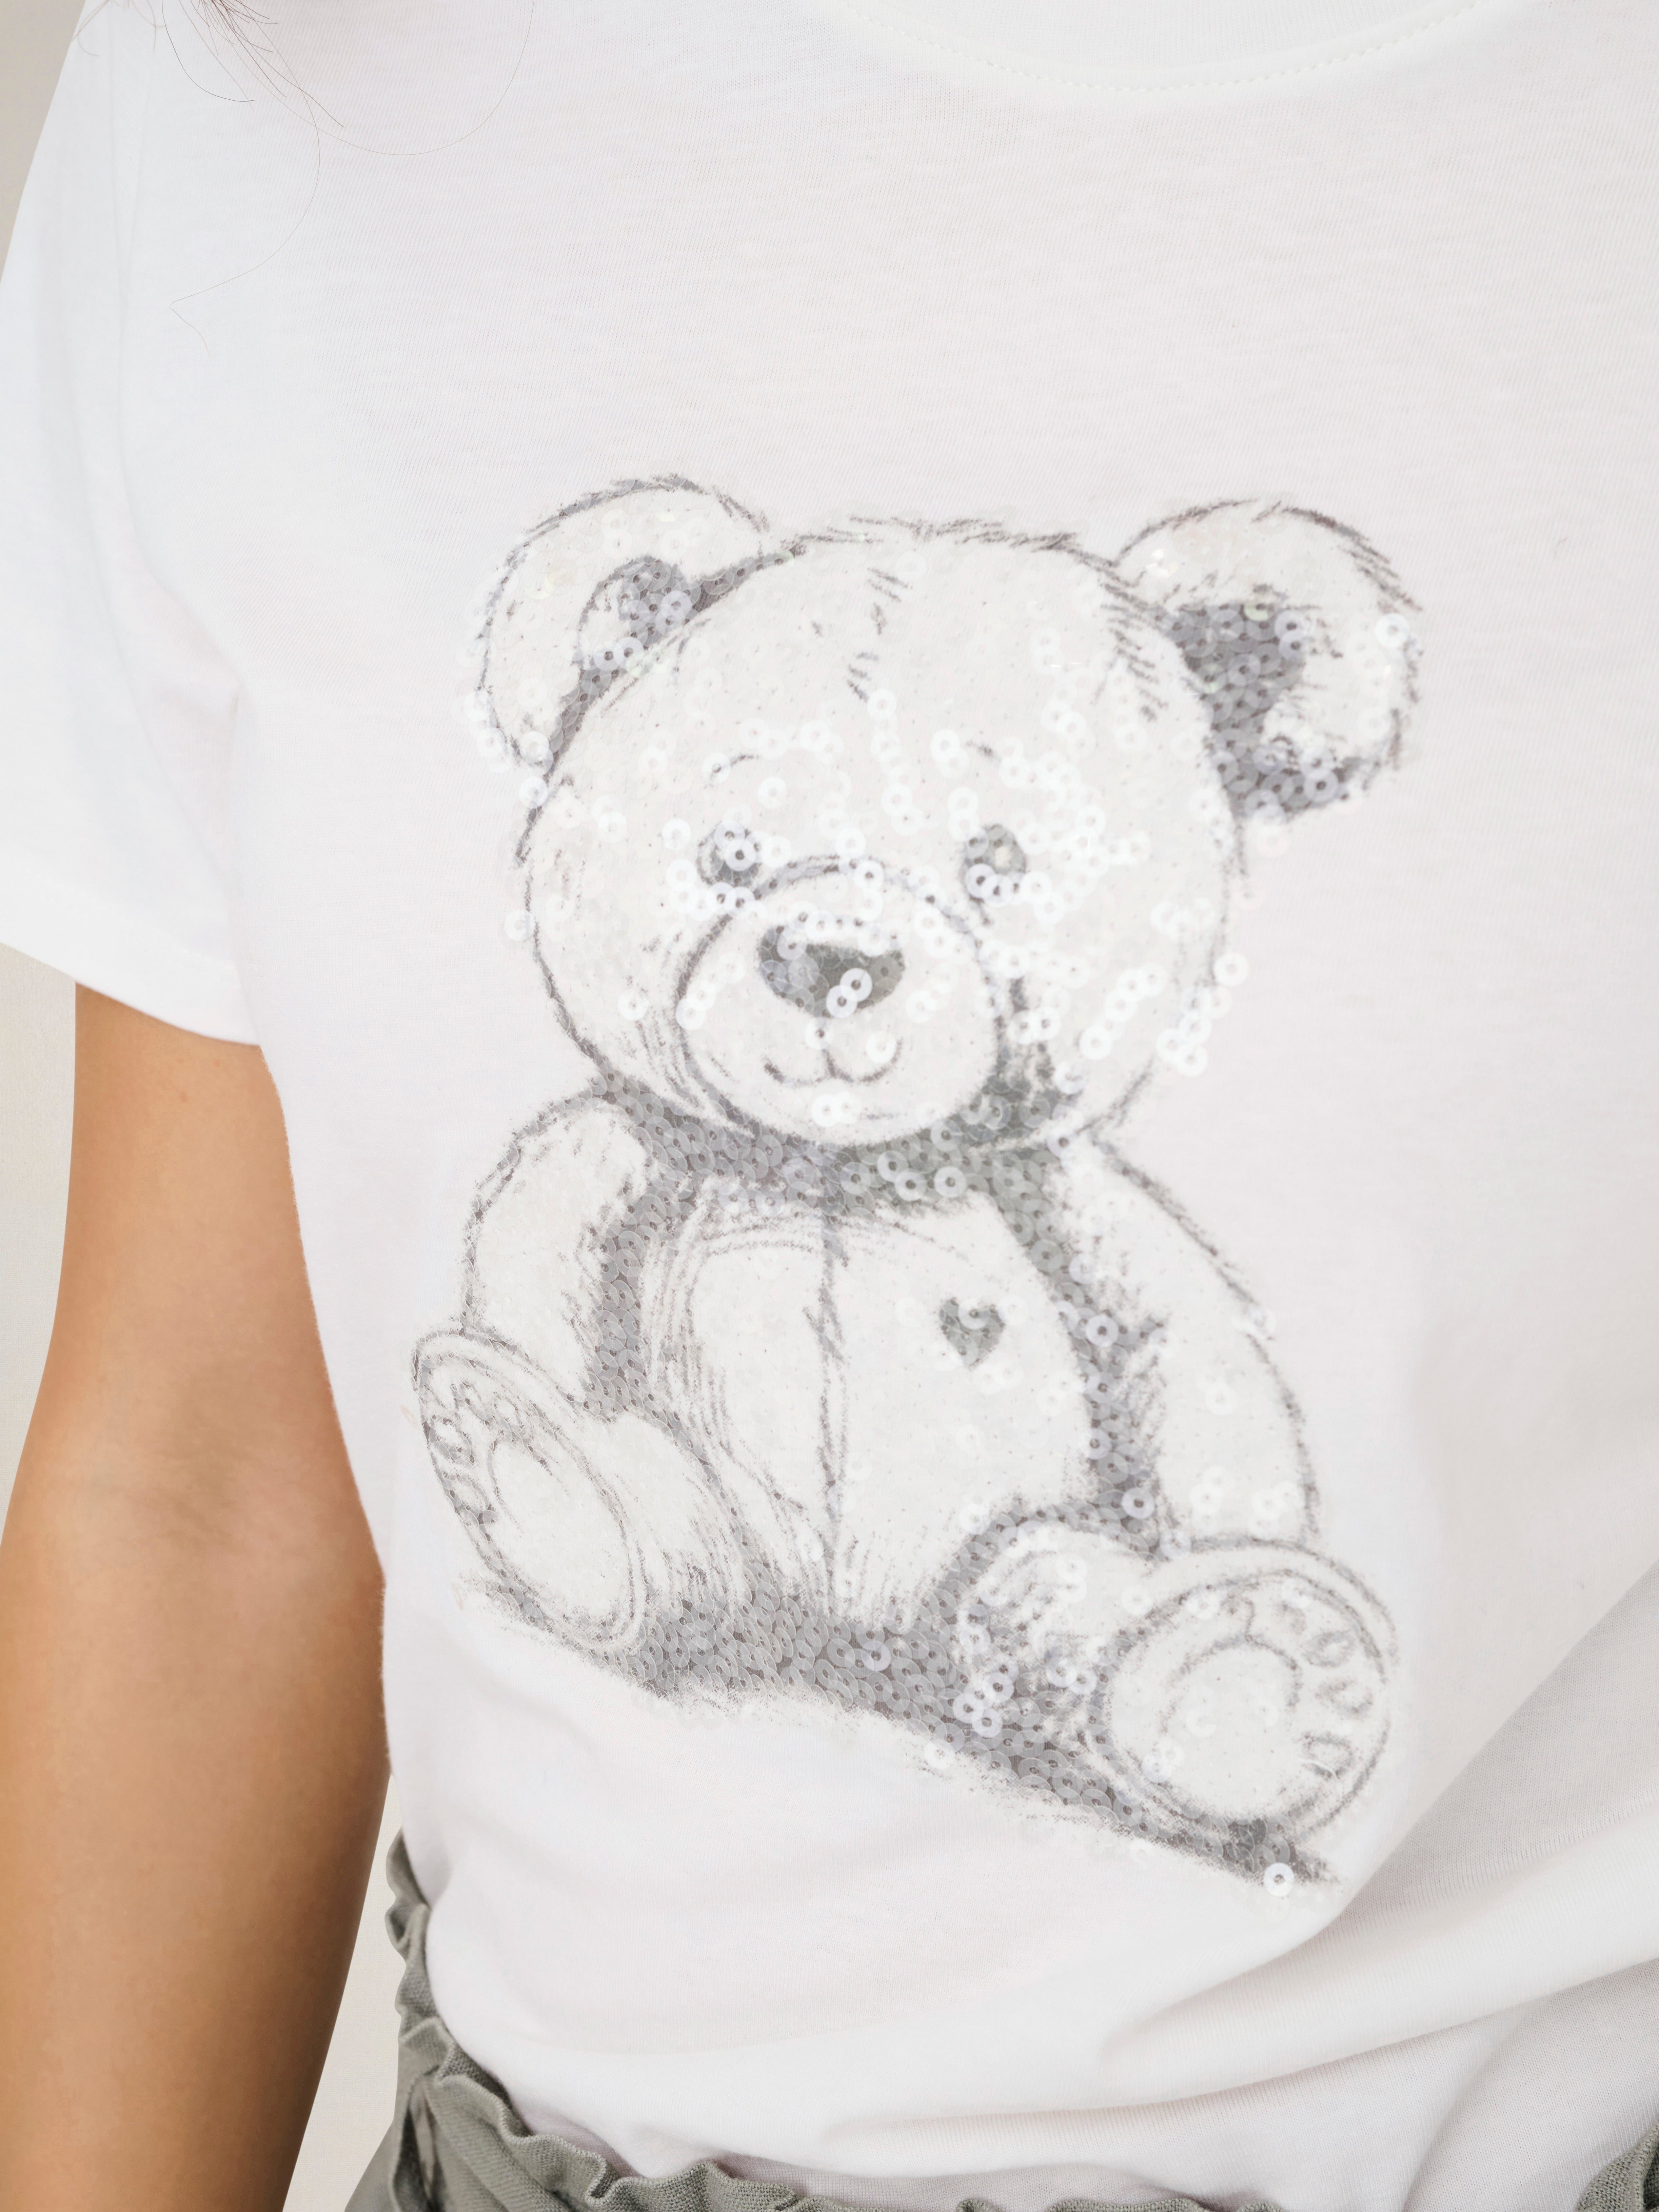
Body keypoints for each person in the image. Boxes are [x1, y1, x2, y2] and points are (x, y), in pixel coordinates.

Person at [1, 1, 1656, 2207]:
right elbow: (209, 1480)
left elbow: (1185, 1373)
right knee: (634, 1498)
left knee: (1069, 1601)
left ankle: (1132, 1659)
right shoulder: (268, 91)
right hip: (552, 2160)